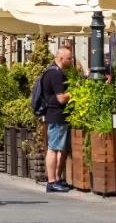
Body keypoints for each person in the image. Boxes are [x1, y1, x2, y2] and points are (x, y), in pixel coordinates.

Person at [40, 45, 75, 193]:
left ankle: (57, 178)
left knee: (61, 148)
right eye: (69, 58)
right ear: (61, 59)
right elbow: (61, 98)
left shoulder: (55, 72)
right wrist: (74, 94)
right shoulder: (55, 74)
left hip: (59, 116)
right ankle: (52, 181)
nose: (71, 60)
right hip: (56, 115)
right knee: (53, 148)